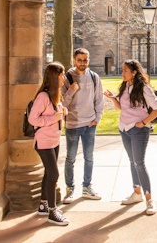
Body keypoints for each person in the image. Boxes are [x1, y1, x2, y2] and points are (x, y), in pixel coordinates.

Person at [103, 59, 157, 215]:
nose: (122, 73)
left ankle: (149, 200)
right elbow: (122, 108)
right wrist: (113, 98)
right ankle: (137, 193)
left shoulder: (144, 88)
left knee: (139, 163)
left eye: (125, 71)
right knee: (132, 161)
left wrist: (143, 123)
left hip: (138, 130)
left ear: (134, 72)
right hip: (124, 128)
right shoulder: (125, 86)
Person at [61, 48, 104, 203]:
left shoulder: (94, 77)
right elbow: (62, 103)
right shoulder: (67, 78)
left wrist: (97, 119)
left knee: (89, 157)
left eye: (85, 60)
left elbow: (99, 100)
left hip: (89, 125)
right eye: (79, 60)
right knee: (70, 158)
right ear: (74, 60)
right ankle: (69, 189)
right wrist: (71, 91)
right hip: (72, 124)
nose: (82, 63)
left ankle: (87, 187)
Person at [28, 62, 69, 226]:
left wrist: (62, 113)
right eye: (61, 75)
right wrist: (55, 118)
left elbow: (54, 115)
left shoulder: (54, 95)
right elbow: (33, 119)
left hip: (54, 140)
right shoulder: (43, 97)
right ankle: (52, 211)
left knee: (48, 173)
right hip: (44, 142)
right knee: (54, 175)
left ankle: (43, 204)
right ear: (54, 77)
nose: (64, 78)